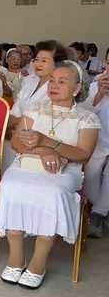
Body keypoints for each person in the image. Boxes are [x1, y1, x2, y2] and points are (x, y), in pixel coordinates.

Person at [0, 61, 100, 289]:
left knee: (51, 192)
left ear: (76, 88)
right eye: (52, 80)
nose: (54, 85)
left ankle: (38, 262)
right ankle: (16, 257)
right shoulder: (35, 110)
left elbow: (82, 155)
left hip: (65, 171)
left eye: (62, 81)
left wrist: (50, 143)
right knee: (9, 186)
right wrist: (42, 149)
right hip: (28, 164)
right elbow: (17, 143)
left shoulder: (87, 118)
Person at [1, 41, 68, 172]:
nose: (38, 64)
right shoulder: (29, 81)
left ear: (57, 64)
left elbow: (46, 120)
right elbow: (17, 109)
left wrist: (17, 124)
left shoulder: (59, 87)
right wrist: (9, 124)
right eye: (36, 59)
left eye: (44, 61)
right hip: (16, 135)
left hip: (41, 139)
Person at [80, 60, 109, 238]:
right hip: (99, 140)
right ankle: (101, 209)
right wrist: (99, 94)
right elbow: (86, 111)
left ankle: (98, 214)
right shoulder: (97, 82)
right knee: (90, 172)